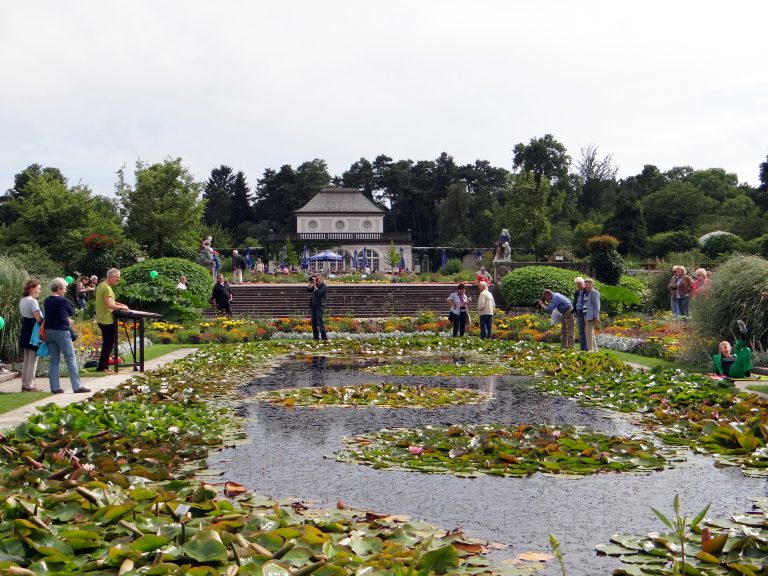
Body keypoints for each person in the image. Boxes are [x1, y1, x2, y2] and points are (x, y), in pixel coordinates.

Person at [44, 278, 90, 393]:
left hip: (49, 331)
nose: (65, 291)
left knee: (54, 359)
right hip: (61, 331)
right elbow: (71, 312)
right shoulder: (62, 300)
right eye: (64, 289)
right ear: (59, 289)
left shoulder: (47, 300)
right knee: (70, 358)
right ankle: (77, 386)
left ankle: (54, 387)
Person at [95, 268, 130, 372]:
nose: (118, 280)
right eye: (117, 277)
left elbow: (111, 301)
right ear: (110, 276)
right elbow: (109, 305)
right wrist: (124, 308)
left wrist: (121, 304)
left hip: (102, 318)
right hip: (107, 320)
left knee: (107, 343)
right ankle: (103, 367)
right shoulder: (107, 288)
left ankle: (103, 366)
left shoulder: (102, 285)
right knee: (108, 344)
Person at [19, 279, 43, 392]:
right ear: (31, 288)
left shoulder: (22, 300)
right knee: (33, 359)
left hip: (25, 329)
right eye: (38, 288)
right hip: (32, 331)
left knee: (27, 358)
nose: (39, 291)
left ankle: (25, 384)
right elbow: (38, 319)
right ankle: (30, 385)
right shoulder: (32, 301)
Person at [308, 274, 328, 340]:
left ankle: (324, 338)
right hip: (313, 305)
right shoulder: (315, 285)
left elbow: (319, 292)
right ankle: (316, 338)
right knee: (314, 323)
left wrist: (314, 285)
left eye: (317, 279)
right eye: (315, 279)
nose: (316, 280)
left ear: (321, 279)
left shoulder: (324, 286)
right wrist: (311, 283)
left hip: (320, 306)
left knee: (320, 322)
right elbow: (308, 290)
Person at [583, 278, 601, 351]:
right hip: (586, 315)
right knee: (591, 333)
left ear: (592, 285)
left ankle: (590, 350)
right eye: (586, 285)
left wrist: (596, 316)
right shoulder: (587, 293)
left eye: (589, 285)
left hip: (591, 316)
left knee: (588, 333)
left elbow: (597, 305)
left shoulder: (594, 292)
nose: (587, 286)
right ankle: (595, 350)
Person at [573, 277, 587, 351]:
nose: (579, 286)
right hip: (578, 311)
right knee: (580, 329)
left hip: (584, 311)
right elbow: (575, 301)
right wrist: (574, 311)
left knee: (586, 329)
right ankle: (582, 348)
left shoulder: (587, 291)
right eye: (577, 285)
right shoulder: (577, 291)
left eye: (580, 284)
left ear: (583, 283)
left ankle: (586, 348)